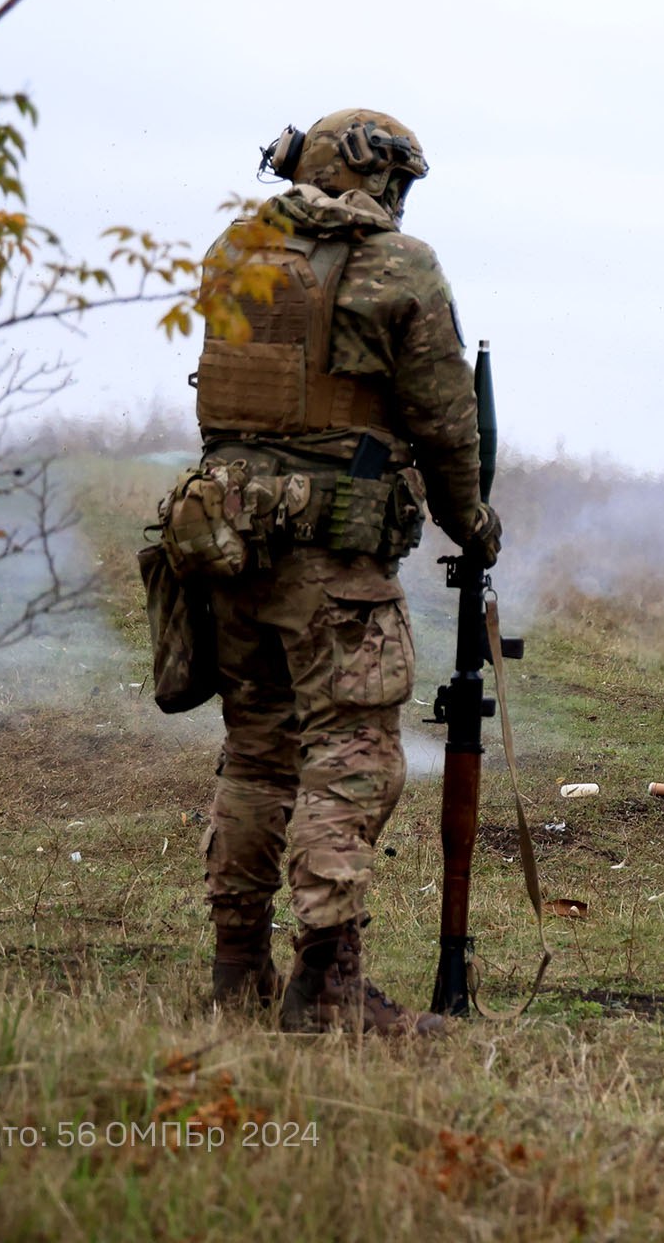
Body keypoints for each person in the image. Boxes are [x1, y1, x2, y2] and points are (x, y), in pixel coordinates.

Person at [184, 108, 501, 1036]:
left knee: (254, 755)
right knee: (353, 757)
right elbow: (447, 422)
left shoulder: (233, 252)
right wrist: (470, 524)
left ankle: (236, 970)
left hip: (229, 543)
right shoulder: (398, 265)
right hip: (334, 556)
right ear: (382, 181)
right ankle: (325, 988)